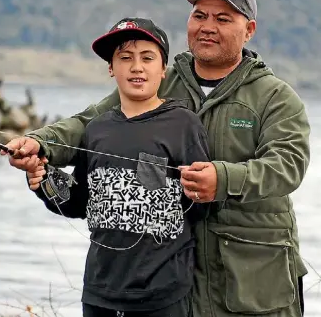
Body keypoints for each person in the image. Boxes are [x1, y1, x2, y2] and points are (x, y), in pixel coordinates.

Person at [4, 0, 310, 317]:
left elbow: (288, 166)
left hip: (253, 276)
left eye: (223, 19)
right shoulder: (162, 79)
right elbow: (91, 124)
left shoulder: (276, 97)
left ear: (249, 29)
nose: (207, 26)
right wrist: (39, 144)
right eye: (199, 16)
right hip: (174, 276)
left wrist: (222, 179)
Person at [22, 18, 211, 317]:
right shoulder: (97, 129)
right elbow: (79, 203)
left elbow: (201, 208)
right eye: (125, 58)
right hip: (100, 293)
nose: (136, 67)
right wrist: (44, 181)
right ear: (111, 68)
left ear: (164, 70)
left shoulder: (183, 125)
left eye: (147, 58)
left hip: (162, 295)